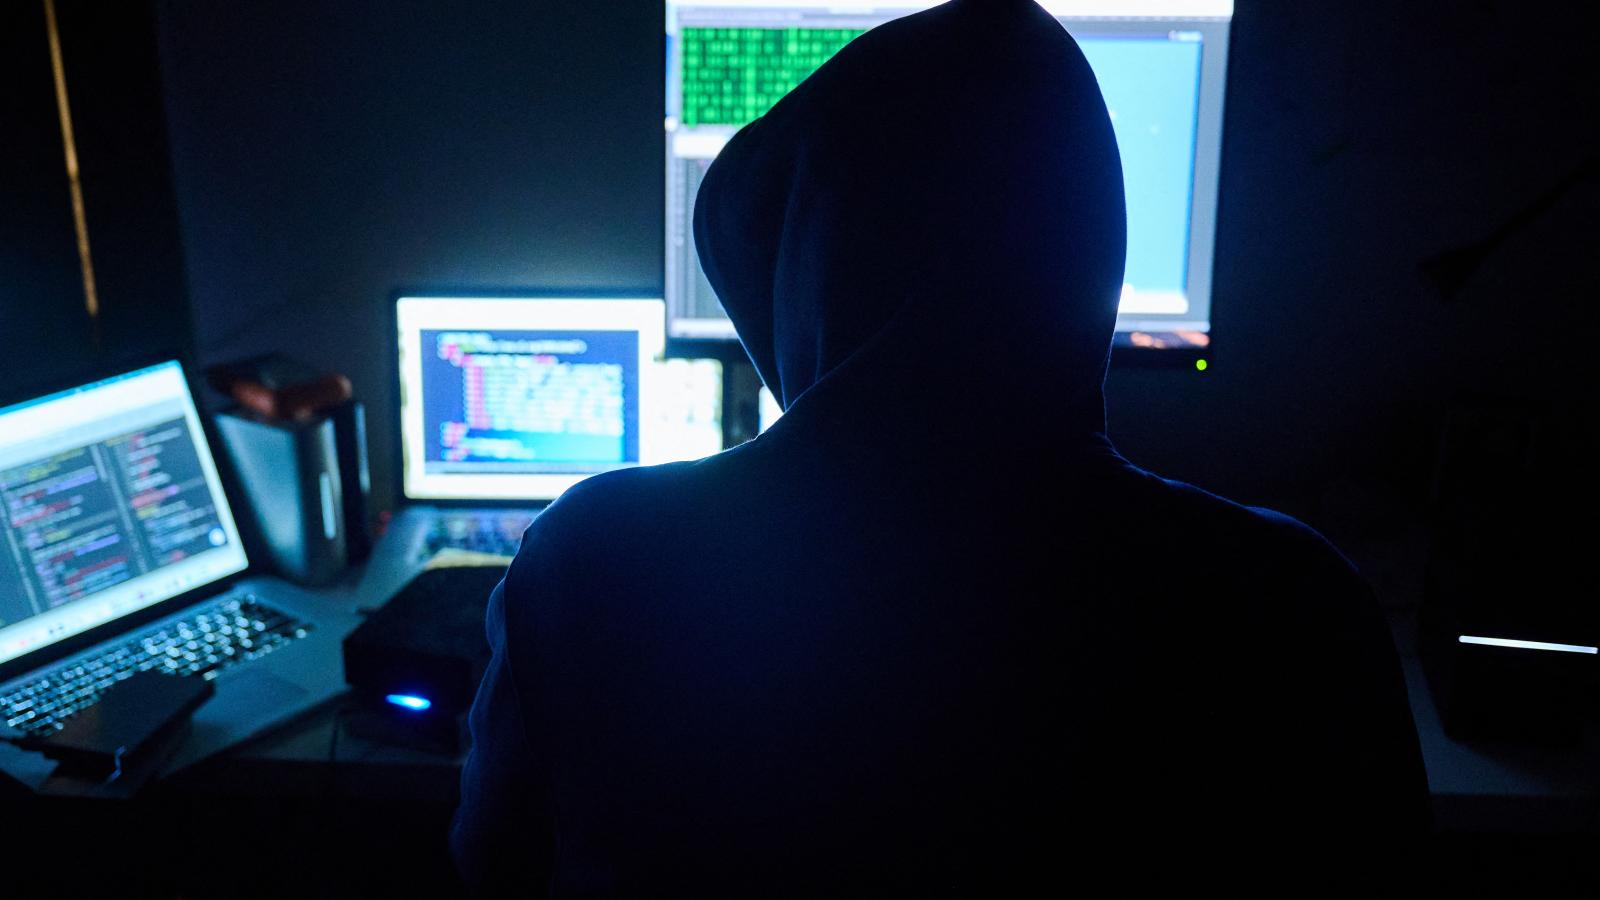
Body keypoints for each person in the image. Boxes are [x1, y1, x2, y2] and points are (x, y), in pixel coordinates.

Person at [452, 0, 1429, 892]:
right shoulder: (1294, 604)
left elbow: (494, 868)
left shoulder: (592, 558)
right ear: (1086, 246)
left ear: (805, 265)